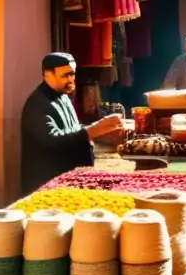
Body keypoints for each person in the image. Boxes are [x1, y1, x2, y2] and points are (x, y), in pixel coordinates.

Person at [20, 53, 125, 195]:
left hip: (68, 183)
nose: (70, 79)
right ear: (47, 75)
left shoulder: (63, 96)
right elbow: (51, 141)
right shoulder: (38, 104)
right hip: (48, 187)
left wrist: (102, 131)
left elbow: (72, 129)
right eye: (65, 75)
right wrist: (91, 131)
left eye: (72, 74)